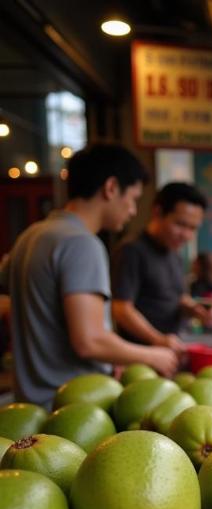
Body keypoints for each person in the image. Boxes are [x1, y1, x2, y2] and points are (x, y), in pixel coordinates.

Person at [0, 143, 177, 408]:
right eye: (133, 199)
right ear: (111, 188)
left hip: (27, 406)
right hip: (71, 409)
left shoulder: (31, 235)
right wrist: (154, 356)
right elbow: (89, 340)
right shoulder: (81, 244)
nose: (132, 211)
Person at [111, 182, 212, 353]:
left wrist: (194, 309)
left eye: (193, 228)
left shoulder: (175, 254)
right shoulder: (132, 250)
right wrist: (158, 339)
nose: (186, 235)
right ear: (157, 212)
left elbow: (176, 296)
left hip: (170, 353)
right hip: (140, 358)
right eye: (180, 225)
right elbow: (121, 309)